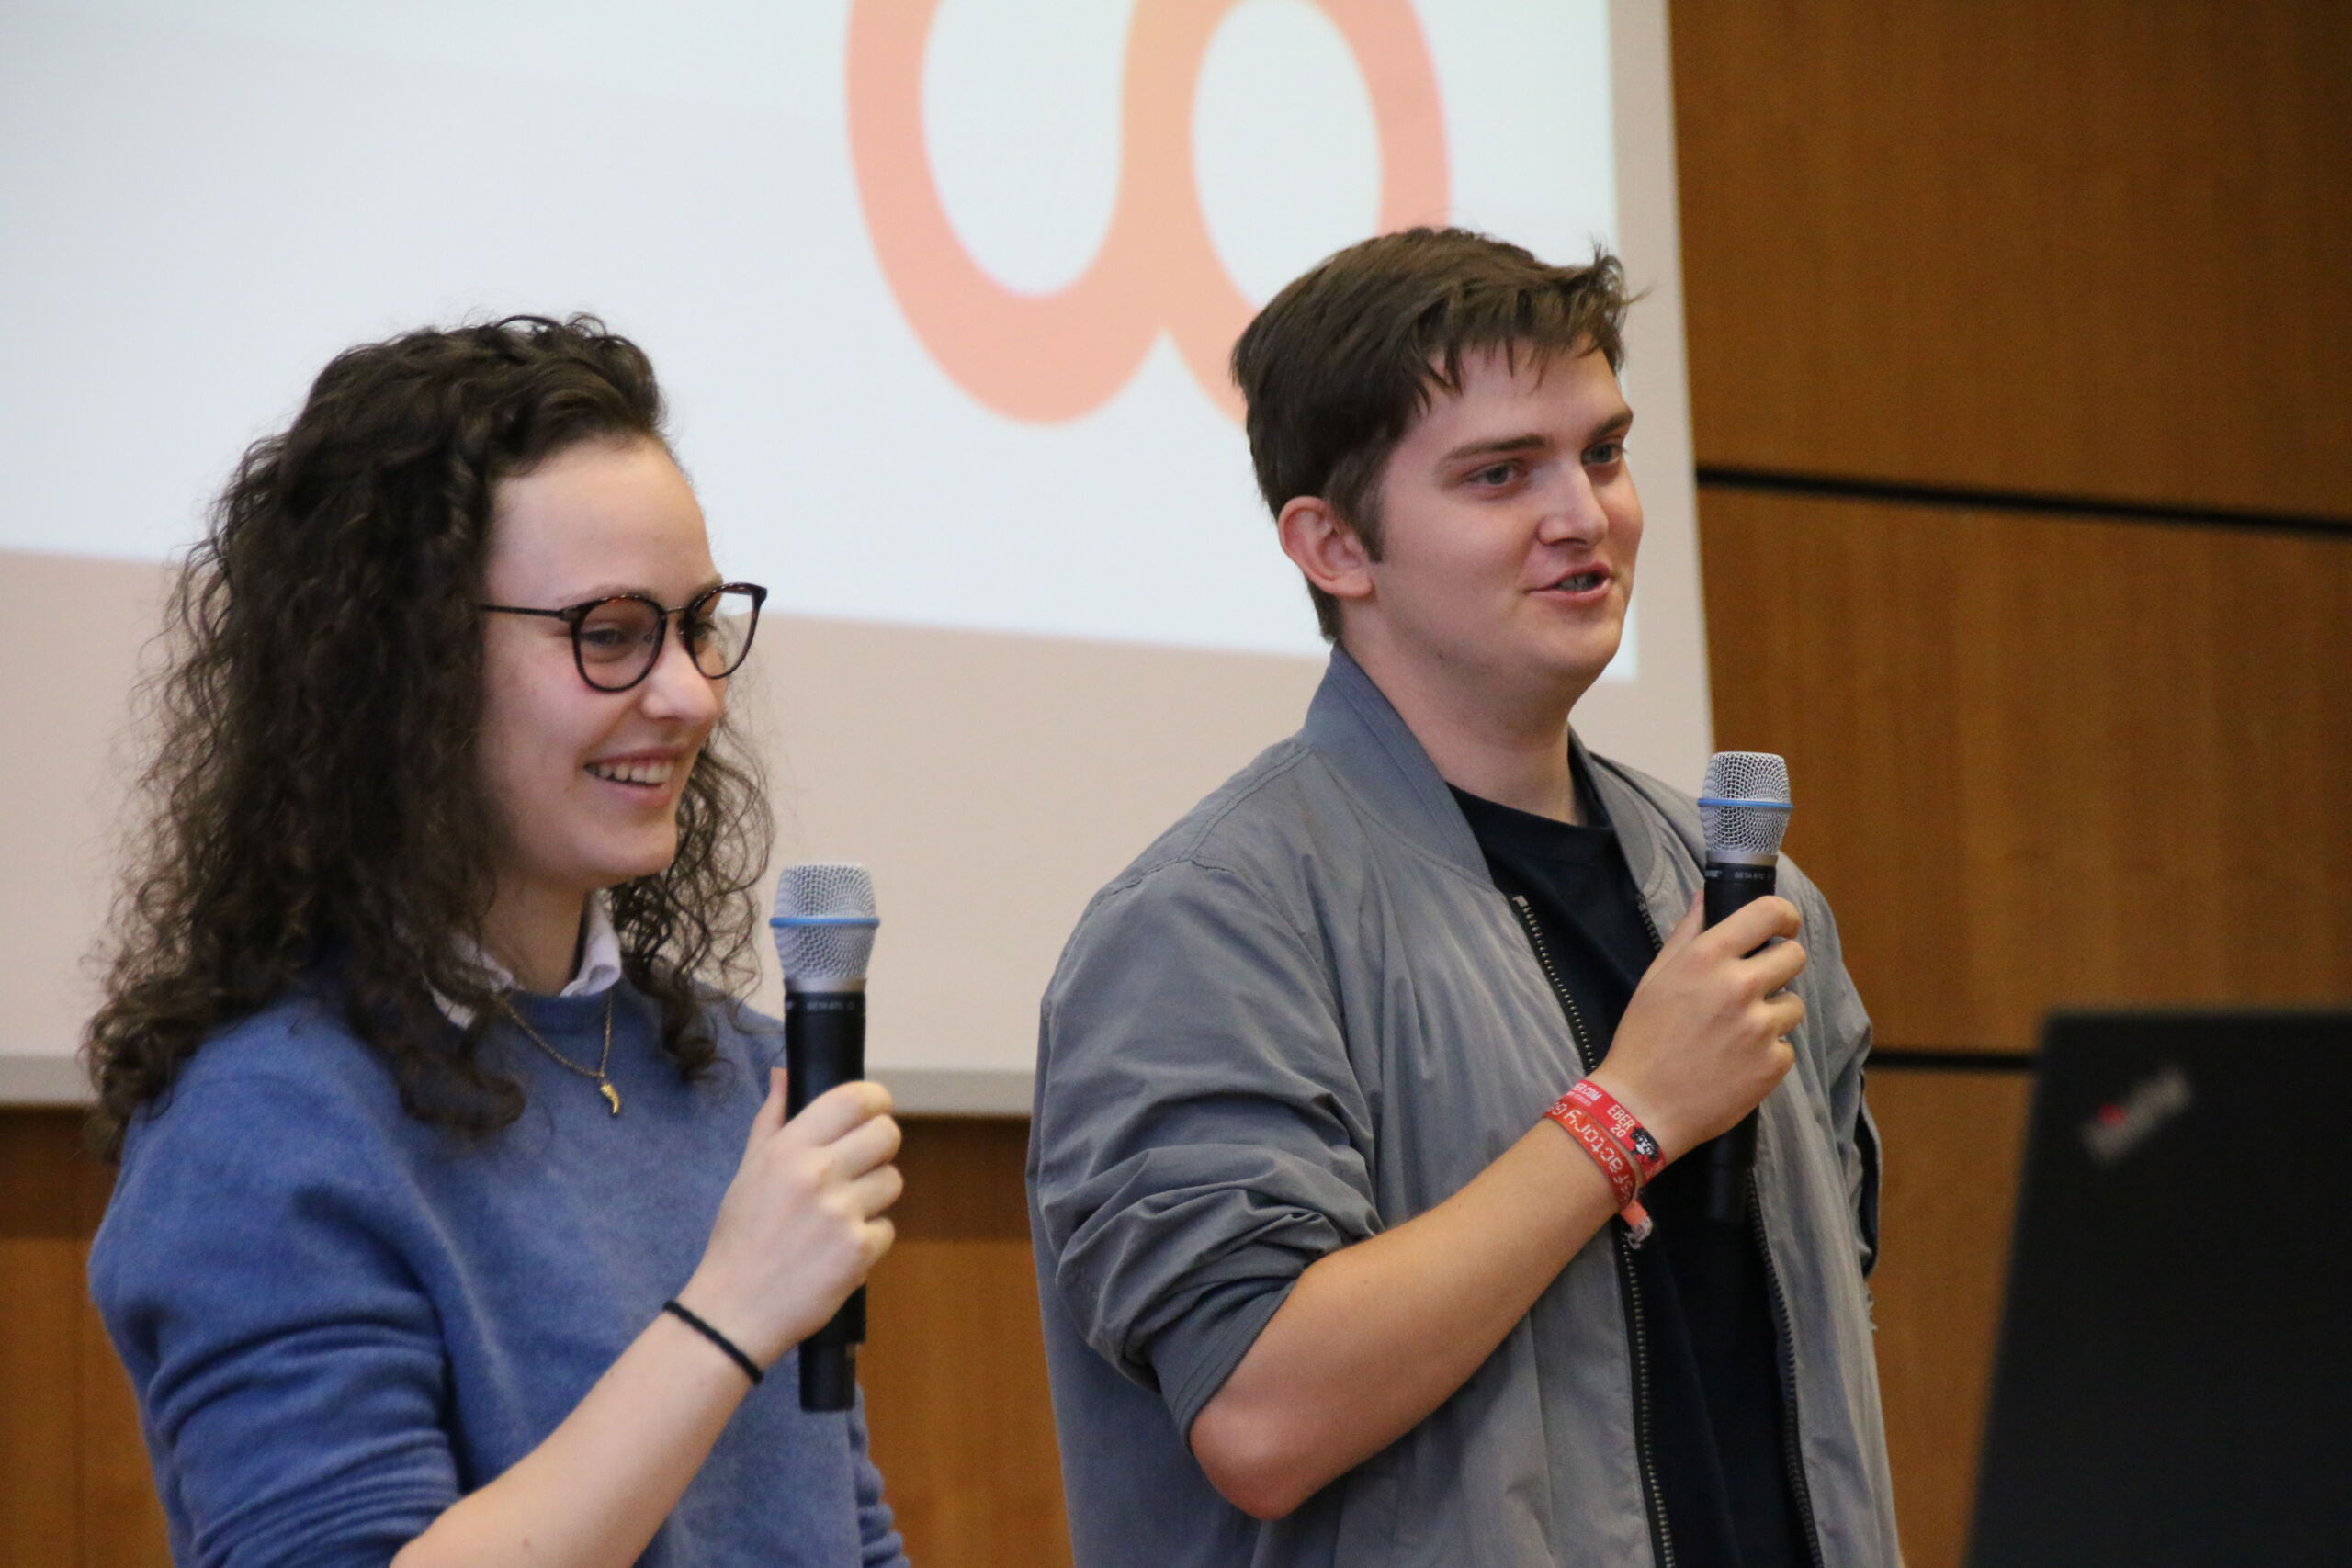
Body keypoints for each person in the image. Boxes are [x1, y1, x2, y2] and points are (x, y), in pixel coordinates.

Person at [1028, 230, 1899, 1566]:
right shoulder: (1206, 922)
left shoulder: (1752, 901)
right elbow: (1259, 1414)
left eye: (1601, 454)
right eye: (1502, 475)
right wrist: (1628, 1114)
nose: (1583, 516)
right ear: (1334, 545)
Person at [85, 317, 908, 1568]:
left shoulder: (736, 1074)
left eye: (696, 625)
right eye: (611, 632)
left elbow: (842, 1535)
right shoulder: (263, 1123)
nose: (689, 694)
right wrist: (732, 1308)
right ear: (397, 670)